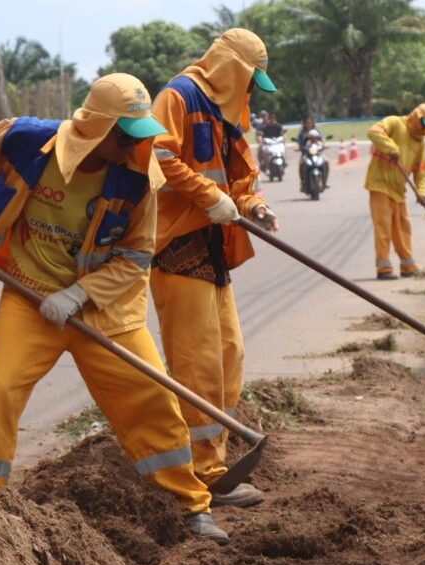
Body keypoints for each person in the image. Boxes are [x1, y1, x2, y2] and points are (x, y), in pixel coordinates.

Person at [0, 73, 230, 545]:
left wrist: (80, 294)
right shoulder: (29, 141)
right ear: (97, 127)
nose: (131, 147)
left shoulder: (138, 178)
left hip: (105, 309)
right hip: (28, 295)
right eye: (124, 136)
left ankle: (190, 508)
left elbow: (136, 257)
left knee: (152, 399)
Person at [150, 28, 279, 508]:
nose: (250, 93)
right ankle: (201, 472)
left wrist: (255, 205)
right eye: (249, 82)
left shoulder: (229, 114)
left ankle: (215, 461)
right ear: (232, 71)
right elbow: (157, 157)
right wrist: (211, 196)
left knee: (229, 356)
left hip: (212, 248)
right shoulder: (179, 96)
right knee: (198, 367)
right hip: (174, 249)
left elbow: (241, 178)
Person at [364, 104, 425, 280]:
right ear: (415, 116)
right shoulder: (395, 123)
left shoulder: (420, 143)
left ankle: (408, 265)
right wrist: (391, 148)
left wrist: (422, 192)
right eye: (424, 123)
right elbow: (373, 132)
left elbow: (422, 171)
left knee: (403, 227)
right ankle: (384, 267)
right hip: (379, 184)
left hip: (398, 189)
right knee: (383, 226)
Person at [297, 128, 329, 192]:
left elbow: (324, 145)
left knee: (326, 162)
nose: (314, 138)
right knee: (301, 163)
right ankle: (303, 182)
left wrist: (325, 146)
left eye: (315, 137)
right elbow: (301, 147)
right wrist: (300, 148)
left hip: (319, 156)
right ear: (309, 136)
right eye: (312, 137)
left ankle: (324, 181)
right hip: (308, 156)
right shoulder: (307, 142)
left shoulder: (319, 142)